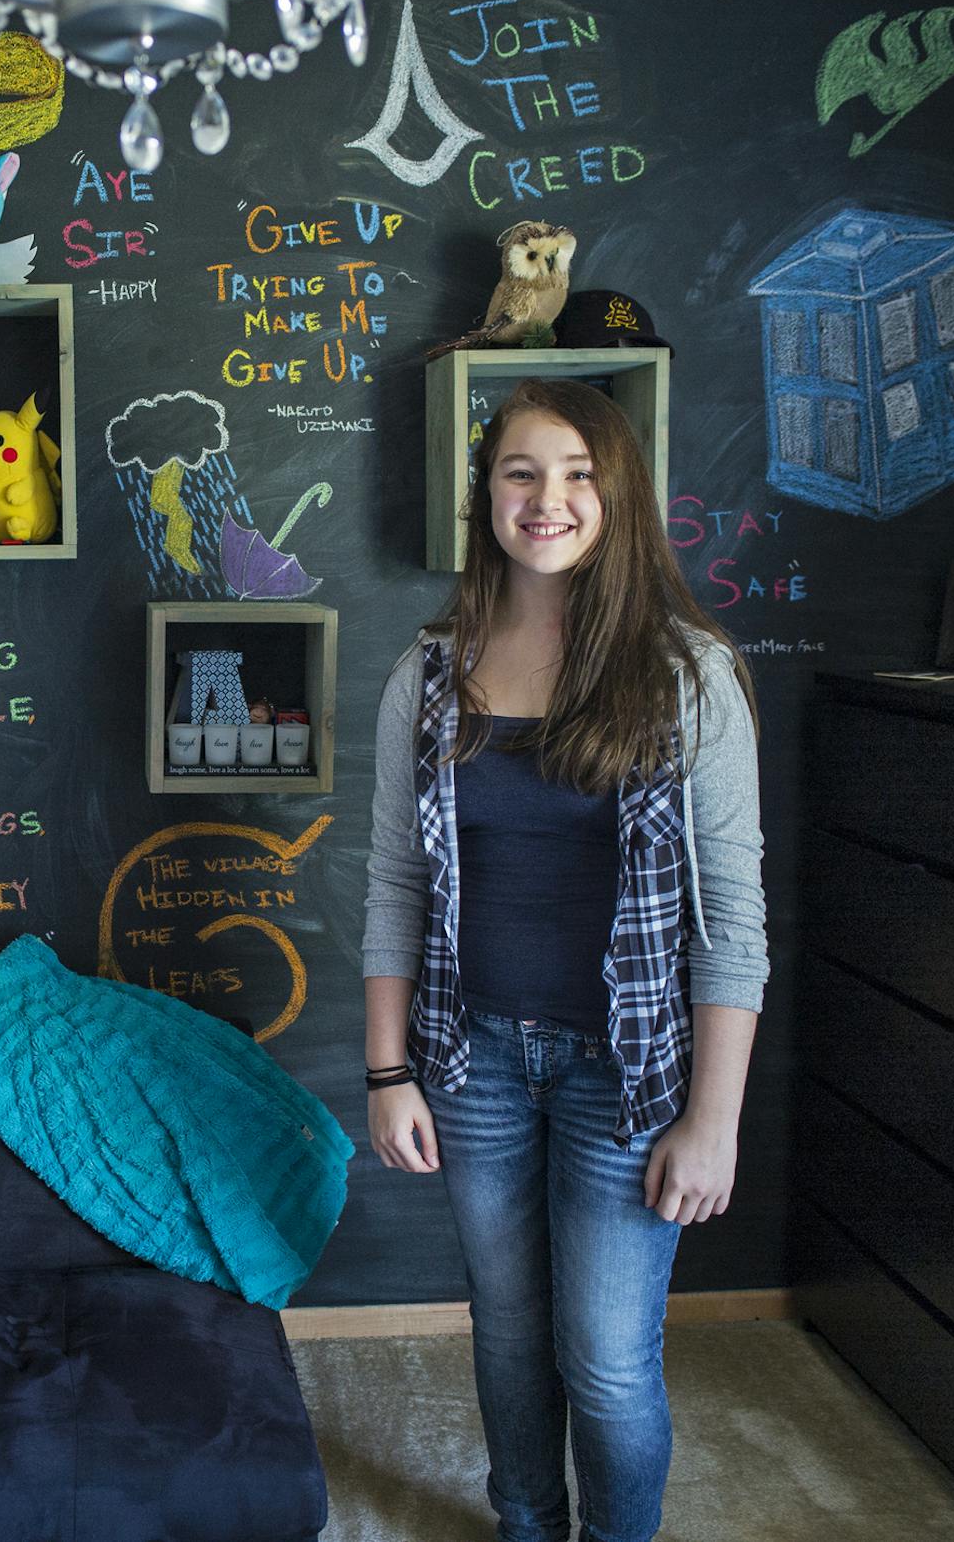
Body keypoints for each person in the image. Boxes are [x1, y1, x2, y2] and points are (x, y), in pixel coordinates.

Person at [362, 377, 769, 1542]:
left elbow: (732, 921)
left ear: (619, 494)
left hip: (629, 1075)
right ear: (487, 494)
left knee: (606, 1362)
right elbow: (396, 884)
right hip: (473, 1060)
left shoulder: (688, 675)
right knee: (506, 1332)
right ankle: (526, 1525)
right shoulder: (428, 674)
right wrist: (390, 1074)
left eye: (579, 473)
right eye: (522, 473)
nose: (549, 499)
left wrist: (714, 1117)